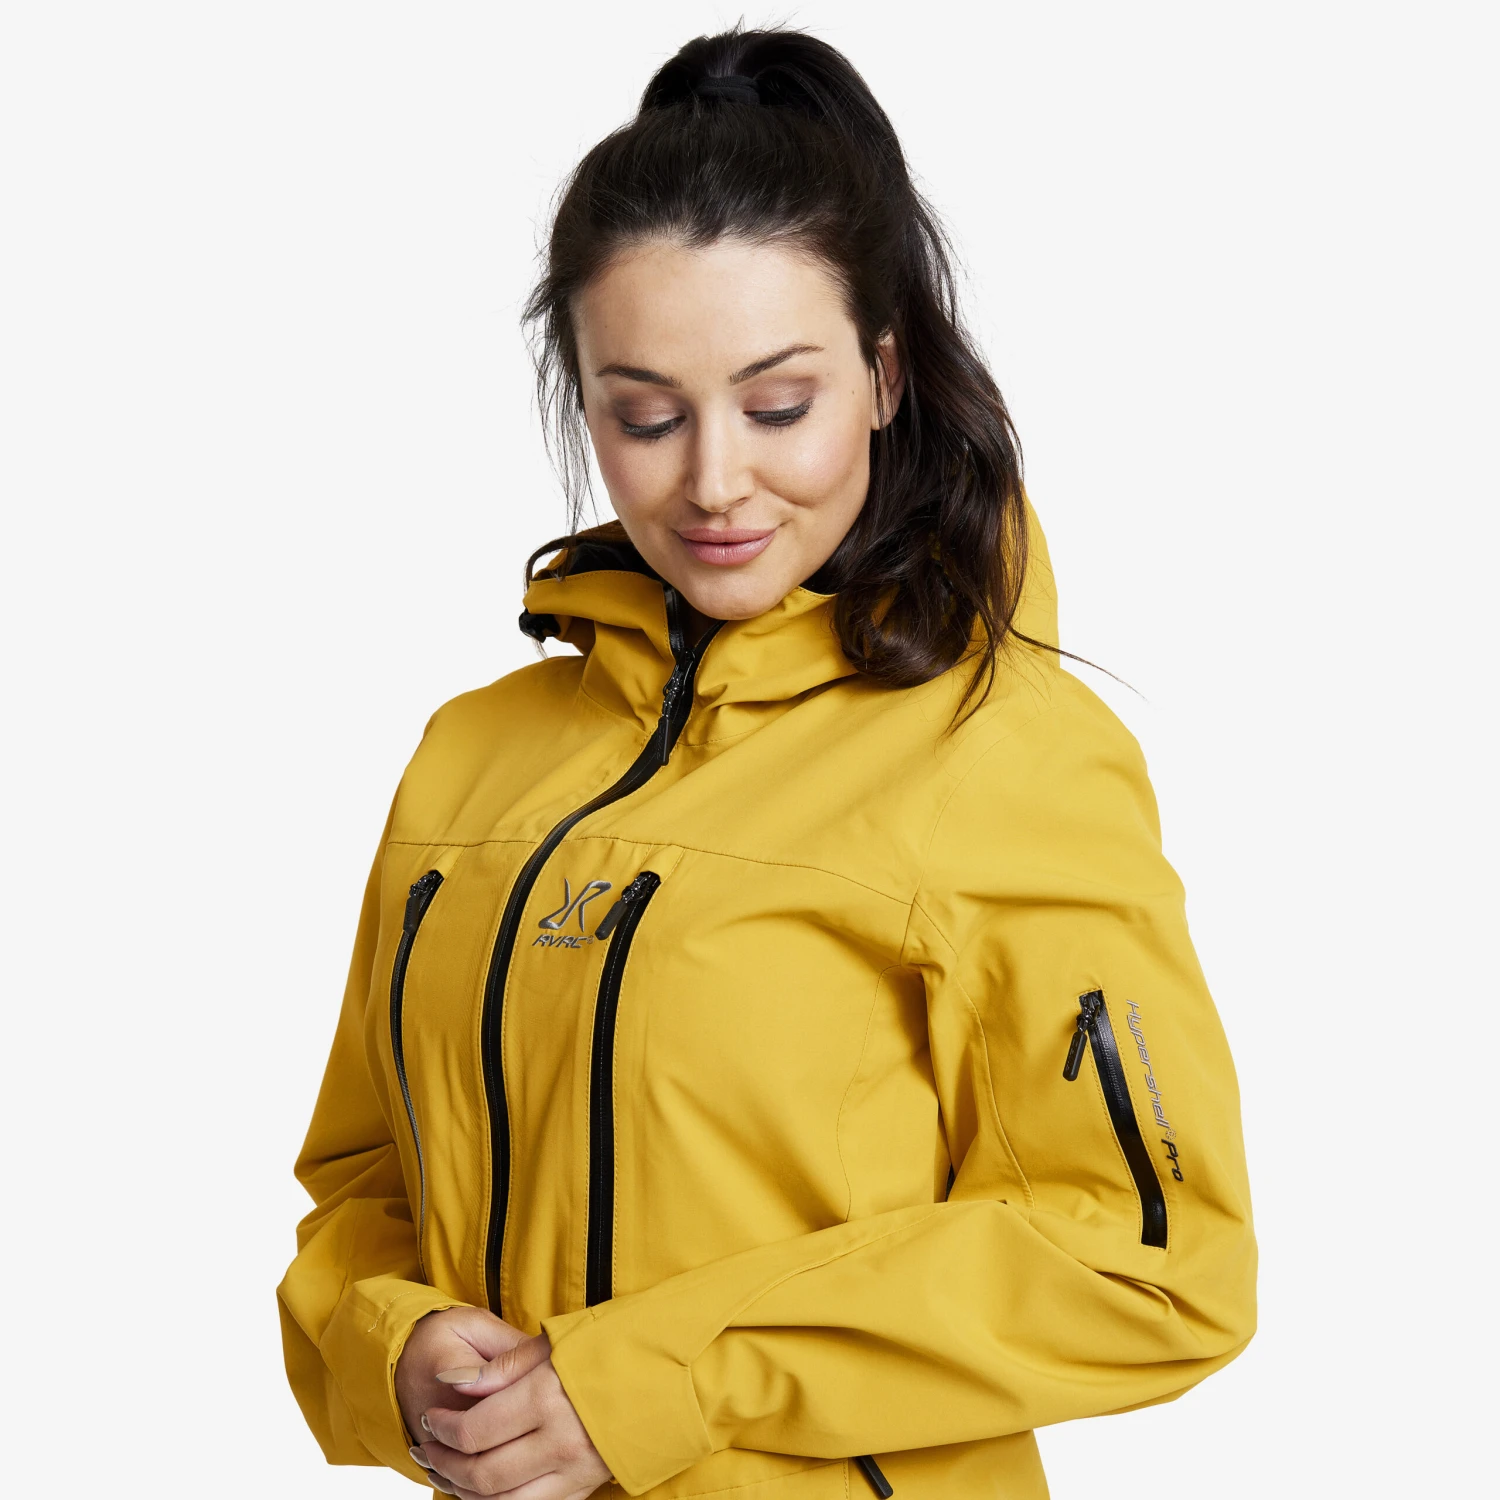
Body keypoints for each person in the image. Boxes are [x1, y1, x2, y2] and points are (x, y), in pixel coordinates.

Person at [277, 26, 1255, 1500]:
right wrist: (392, 1354)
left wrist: (654, 1383)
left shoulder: (1007, 758)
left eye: (778, 405)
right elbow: (361, 1186)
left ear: (883, 375)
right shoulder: (471, 756)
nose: (715, 480)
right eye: (646, 416)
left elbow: (1154, 1258)